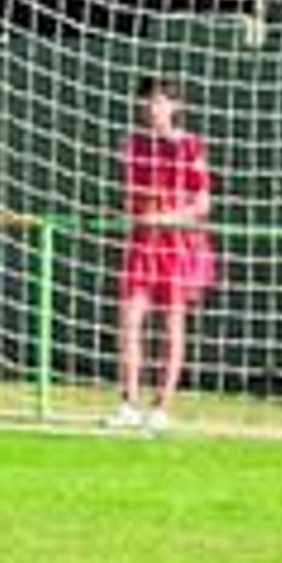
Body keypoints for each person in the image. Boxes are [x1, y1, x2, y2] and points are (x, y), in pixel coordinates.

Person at [108, 75, 215, 433]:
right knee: (129, 320)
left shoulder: (190, 146)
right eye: (147, 101)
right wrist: (133, 213)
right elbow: (130, 196)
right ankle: (127, 403)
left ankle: (162, 406)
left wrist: (164, 217)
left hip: (179, 245)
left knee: (171, 324)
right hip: (142, 243)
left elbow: (202, 204)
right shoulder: (132, 144)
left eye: (159, 101)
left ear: (175, 106)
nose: (151, 108)